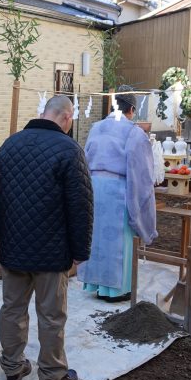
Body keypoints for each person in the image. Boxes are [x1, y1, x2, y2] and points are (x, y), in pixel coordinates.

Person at [0, 95, 93, 380]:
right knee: (51, 315)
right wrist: (80, 251)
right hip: (51, 250)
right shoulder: (69, 149)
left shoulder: (10, 145)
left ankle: (12, 367)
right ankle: (51, 375)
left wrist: (4, 237)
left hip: (14, 248)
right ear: (66, 116)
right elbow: (80, 206)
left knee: (12, 309)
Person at [77, 89, 158, 302]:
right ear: (131, 109)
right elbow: (141, 170)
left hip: (94, 186)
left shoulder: (96, 127)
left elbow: (85, 157)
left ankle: (95, 283)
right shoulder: (134, 132)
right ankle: (116, 290)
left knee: (95, 237)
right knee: (117, 240)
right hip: (118, 189)